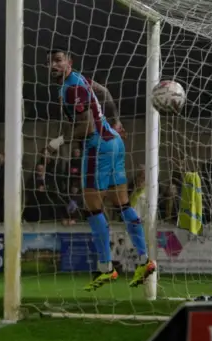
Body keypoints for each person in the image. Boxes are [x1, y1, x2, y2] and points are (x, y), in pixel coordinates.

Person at [46, 49, 155, 290]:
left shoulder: (72, 88)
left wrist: (58, 142)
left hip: (97, 147)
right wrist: (115, 120)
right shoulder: (81, 79)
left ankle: (106, 268)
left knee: (92, 207)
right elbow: (103, 91)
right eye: (50, 62)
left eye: (58, 61)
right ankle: (145, 260)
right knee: (122, 205)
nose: (53, 65)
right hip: (114, 142)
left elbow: (86, 127)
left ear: (69, 63)